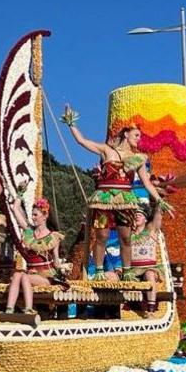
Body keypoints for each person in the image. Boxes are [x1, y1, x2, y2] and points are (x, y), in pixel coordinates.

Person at [62, 105, 170, 280]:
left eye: (140, 136)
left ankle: (127, 272)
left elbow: (148, 184)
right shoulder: (107, 151)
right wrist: (70, 123)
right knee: (102, 235)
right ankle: (98, 271)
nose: (139, 139)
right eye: (136, 135)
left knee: (126, 237)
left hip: (125, 200)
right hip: (104, 199)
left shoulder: (140, 159)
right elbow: (82, 141)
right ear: (126, 134)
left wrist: (160, 200)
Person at [4, 198, 65, 315]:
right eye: (32, 215)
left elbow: (56, 260)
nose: (33, 217)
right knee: (17, 274)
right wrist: (19, 196)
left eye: (35, 215)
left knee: (25, 277)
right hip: (30, 272)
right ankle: (9, 309)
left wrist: (62, 271)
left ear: (45, 215)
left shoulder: (53, 237)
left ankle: (28, 309)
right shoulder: (29, 232)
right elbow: (16, 210)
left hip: (45, 276)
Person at [127, 203, 164, 312]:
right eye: (135, 214)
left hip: (149, 268)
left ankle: (151, 309)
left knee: (149, 275)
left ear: (146, 219)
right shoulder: (128, 234)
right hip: (132, 270)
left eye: (140, 215)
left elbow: (158, 217)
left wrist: (158, 202)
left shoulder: (151, 231)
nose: (137, 216)